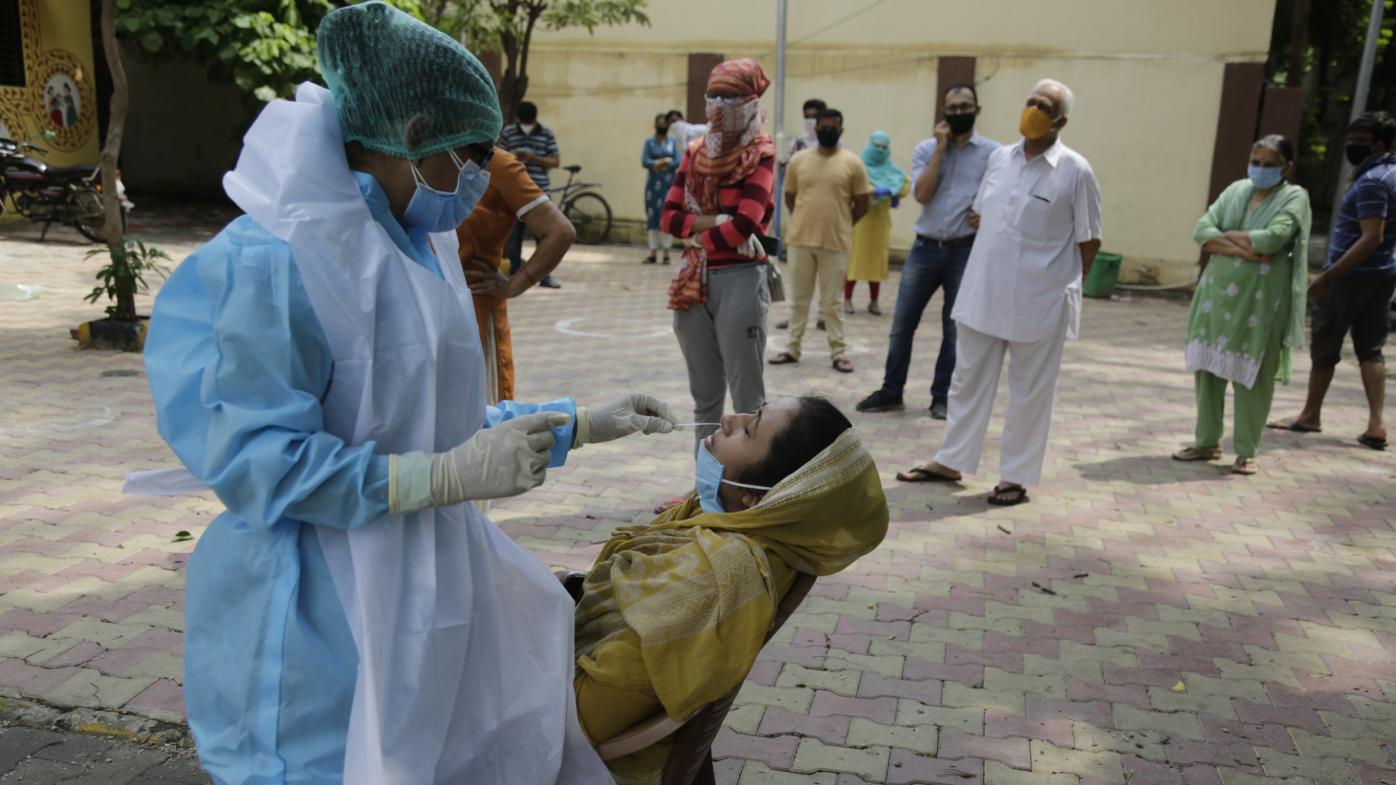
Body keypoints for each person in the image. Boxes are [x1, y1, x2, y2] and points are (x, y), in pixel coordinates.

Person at [139, 5, 676, 782]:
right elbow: (263, 463)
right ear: (417, 132)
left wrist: (579, 424)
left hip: (425, 591)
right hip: (315, 615)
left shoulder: (419, 243)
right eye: (474, 153)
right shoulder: (271, 262)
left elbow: (432, 421)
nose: (481, 176)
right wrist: (442, 476)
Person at [571, 396, 890, 784]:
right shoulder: (741, 526)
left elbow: (580, 720)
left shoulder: (710, 578)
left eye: (749, 429)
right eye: (753, 412)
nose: (728, 419)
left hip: (583, 749)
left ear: (756, 498)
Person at [896, 79, 1102, 507]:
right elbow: (983, 216)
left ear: (1062, 120)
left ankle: (1015, 477)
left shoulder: (1076, 170)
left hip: (1041, 300)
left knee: (1031, 391)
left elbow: (1090, 239)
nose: (1034, 110)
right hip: (984, 288)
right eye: (1031, 101)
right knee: (966, 380)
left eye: (1045, 106)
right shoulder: (999, 159)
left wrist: (1070, 286)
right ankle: (951, 460)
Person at [857, 83, 1001, 420]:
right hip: (924, 250)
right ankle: (892, 391)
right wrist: (940, 149)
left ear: (977, 110)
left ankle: (942, 397)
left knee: (954, 330)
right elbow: (921, 194)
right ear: (944, 112)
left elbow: (1005, 197)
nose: (959, 112)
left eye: (966, 107)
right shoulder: (926, 149)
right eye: (953, 107)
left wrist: (991, 213)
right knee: (902, 325)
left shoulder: (995, 154)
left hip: (965, 252)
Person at [1171, 136, 1309, 475]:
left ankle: (1247, 451)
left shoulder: (1295, 197)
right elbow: (1202, 231)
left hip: (1263, 302)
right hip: (1216, 296)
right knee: (1208, 371)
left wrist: (1227, 235)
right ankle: (1207, 442)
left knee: (1255, 375)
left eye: (1269, 164)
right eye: (1256, 162)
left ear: (1286, 168)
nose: (1260, 169)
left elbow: (1274, 238)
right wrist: (1246, 250)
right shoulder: (1236, 190)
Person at [661, 59, 777, 455]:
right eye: (713, 95)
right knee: (705, 398)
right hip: (692, 281)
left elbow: (746, 223)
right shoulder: (694, 153)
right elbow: (668, 218)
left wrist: (696, 235)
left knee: (748, 400)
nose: (719, 104)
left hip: (740, 280)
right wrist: (717, 222)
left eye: (730, 96)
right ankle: (706, 482)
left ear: (751, 101)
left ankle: (751, 482)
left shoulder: (761, 153)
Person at [1269, 111, 1396, 451]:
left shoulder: (1372, 181)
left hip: (1350, 277)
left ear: (1379, 144)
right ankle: (1377, 424)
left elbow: (1372, 237)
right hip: (1383, 274)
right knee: (1371, 349)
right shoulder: (1392, 174)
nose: (1352, 146)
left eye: (1359, 141)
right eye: (1350, 140)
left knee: (1326, 345)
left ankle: (1311, 415)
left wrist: (1328, 275)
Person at [456, 146, 576, 404]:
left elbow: (561, 232)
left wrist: (513, 286)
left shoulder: (495, 163)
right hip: (424, 310)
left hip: (474, 315)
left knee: (477, 415)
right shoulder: (424, 154)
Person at [769, 108, 871, 374]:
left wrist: (841, 223)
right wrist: (807, 219)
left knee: (833, 302)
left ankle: (838, 352)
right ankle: (792, 348)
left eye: (833, 127)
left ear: (841, 130)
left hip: (836, 243)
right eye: (823, 127)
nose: (828, 130)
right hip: (800, 240)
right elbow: (790, 198)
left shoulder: (853, 162)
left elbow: (863, 204)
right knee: (799, 301)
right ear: (815, 129)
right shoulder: (799, 160)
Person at [845, 131, 909, 315]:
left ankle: (874, 301)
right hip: (858, 221)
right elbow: (850, 185)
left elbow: (905, 184)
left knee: (876, 262)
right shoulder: (858, 165)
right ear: (869, 145)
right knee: (853, 260)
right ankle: (847, 300)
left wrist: (894, 191)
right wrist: (873, 190)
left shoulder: (892, 170)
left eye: (884, 147)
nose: (880, 150)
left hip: (880, 223)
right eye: (876, 146)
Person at [500, 101, 563, 288]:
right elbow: (499, 157)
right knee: (514, 236)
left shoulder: (546, 133)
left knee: (544, 237)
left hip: (539, 191)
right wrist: (514, 156)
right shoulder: (509, 132)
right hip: (513, 191)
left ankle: (545, 277)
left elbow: (555, 161)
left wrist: (533, 157)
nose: (525, 124)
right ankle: (513, 275)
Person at [642, 113, 679, 264]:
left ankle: (666, 254)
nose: (662, 126)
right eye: (660, 123)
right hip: (653, 186)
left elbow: (678, 161)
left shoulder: (673, 141)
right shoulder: (649, 142)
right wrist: (663, 161)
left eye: (665, 123)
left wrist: (657, 164)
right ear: (655, 125)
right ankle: (652, 253)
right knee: (653, 216)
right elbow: (644, 161)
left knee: (667, 215)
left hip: (669, 185)